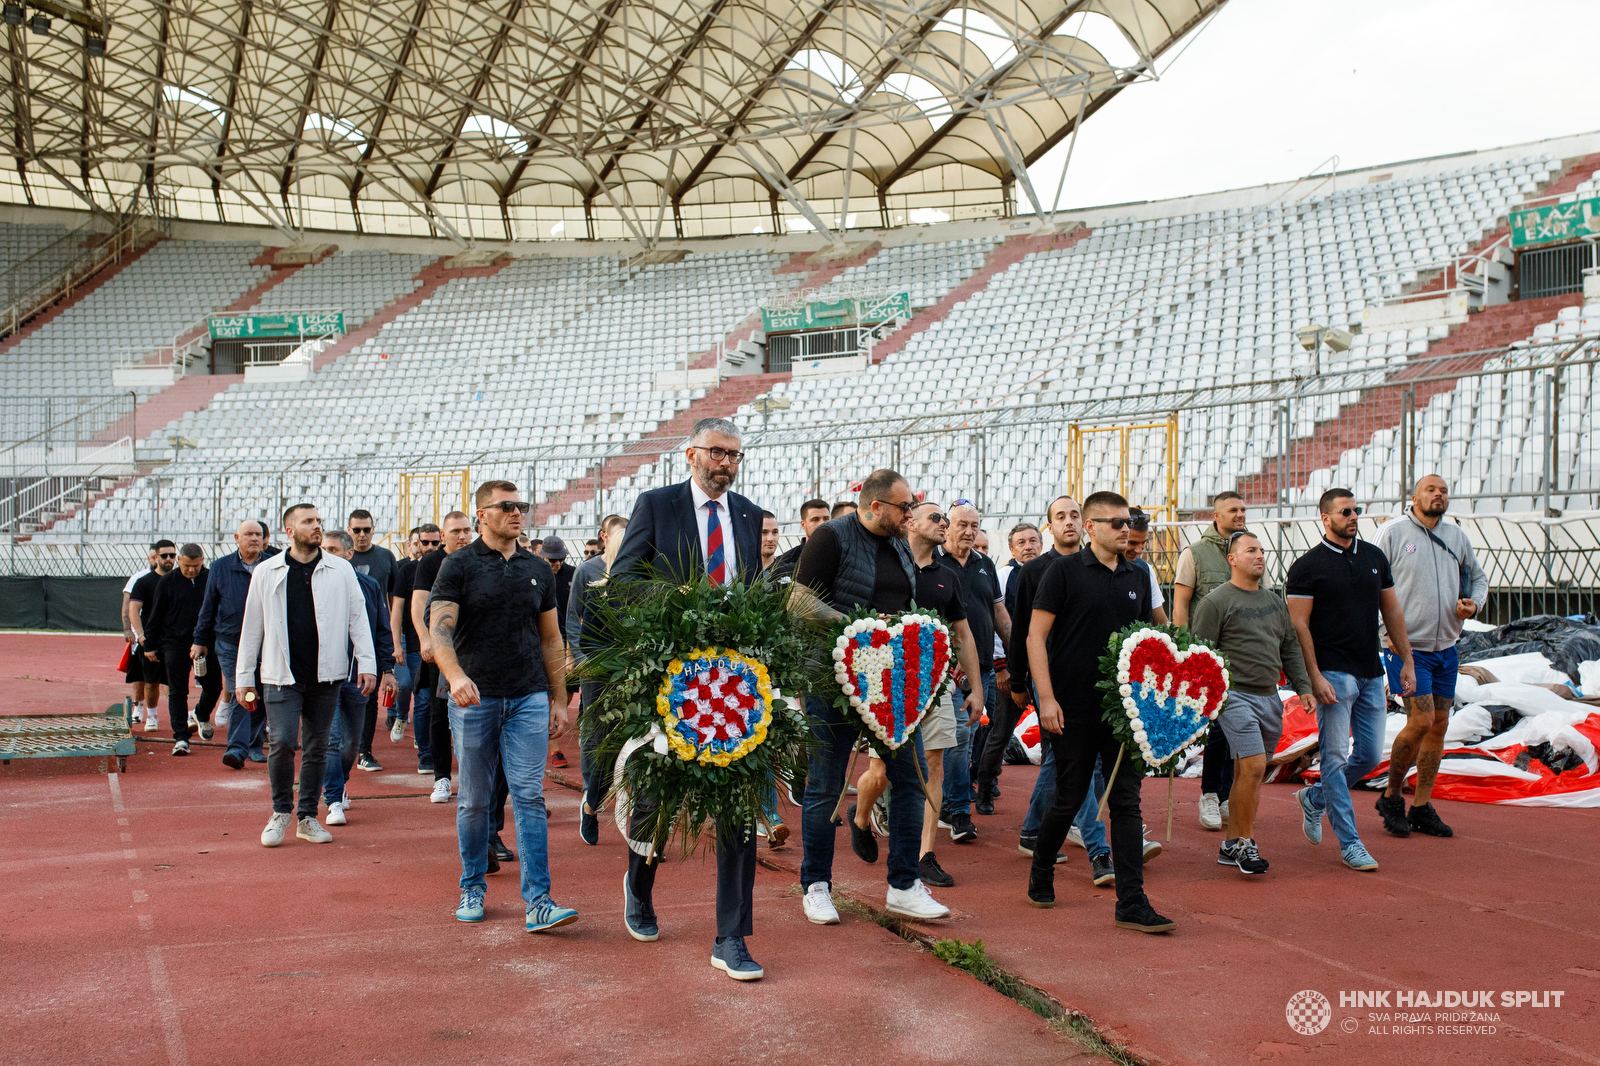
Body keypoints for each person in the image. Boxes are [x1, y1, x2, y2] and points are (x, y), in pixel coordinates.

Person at [610, 418, 768, 979]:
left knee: (737, 806)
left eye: (735, 455)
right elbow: (624, 580)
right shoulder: (656, 505)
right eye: (717, 453)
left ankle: (731, 937)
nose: (726, 463)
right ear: (691, 455)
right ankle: (640, 880)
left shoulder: (747, 515)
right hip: (669, 676)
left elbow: (753, 591)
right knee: (657, 794)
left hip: (737, 679)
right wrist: (681, 596)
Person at [791, 468, 951, 925]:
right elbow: (798, 604)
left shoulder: (900, 543)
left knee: (910, 779)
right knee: (826, 783)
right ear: (875, 505)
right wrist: (859, 626)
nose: (910, 514)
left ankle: (903, 884)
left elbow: (903, 607)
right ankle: (816, 884)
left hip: (893, 682)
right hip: (832, 679)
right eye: (904, 507)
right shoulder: (830, 538)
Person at [428, 480, 577, 932]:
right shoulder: (458, 565)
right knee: (473, 799)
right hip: (475, 699)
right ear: (482, 516)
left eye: (521, 506)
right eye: (506, 506)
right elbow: (439, 631)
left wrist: (559, 698)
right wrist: (455, 678)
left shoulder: (538, 569)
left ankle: (540, 901)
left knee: (529, 796)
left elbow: (552, 638)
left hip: (529, 696)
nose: (517, 513)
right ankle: (472, 884)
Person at [1023, 491, 1173, 933]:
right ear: (1091, 527)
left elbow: (1153, 636)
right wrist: (1045, 699)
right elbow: (1035, 638)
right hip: (1071, 706)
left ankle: (1132, 901)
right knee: (1068, 797)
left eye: (1128, 522)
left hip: (1123, 711)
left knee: (1126, 801)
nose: (1126, 529)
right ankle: (1041, 869)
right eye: (1116, 523)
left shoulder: (1139, 573)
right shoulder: (1063, 572)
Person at [1288, 488, 1415, 873]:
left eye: (1356, 510)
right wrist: (1313, 677)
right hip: (1333, 673)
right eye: (1345, 512)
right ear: (1325, 519)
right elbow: (1299, 625)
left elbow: (1391, 609)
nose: (1354, 516)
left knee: (1369, 756)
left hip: (1372, 671)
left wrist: (1406, 661)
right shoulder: (1307, 567)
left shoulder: (1375, 558)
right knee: (1334, 756)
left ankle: (1315, 798)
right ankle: (1350, 843)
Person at [237, 504, 377, 848]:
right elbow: (252, 627)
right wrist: (243, 677)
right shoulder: (267, 571)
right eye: (308, 522)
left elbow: (358, 618)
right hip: (280, 675)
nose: (317, 527)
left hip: (326, 674)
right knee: (283, 742)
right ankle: (280, 811)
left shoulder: (341, 570)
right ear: (290, 530)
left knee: (317, 747)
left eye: (318, 521)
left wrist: (368, 663)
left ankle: (307, 817)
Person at [1190, 532, 1313, 875]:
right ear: (1231, 559)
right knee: (1255, 766)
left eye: (1261, 550)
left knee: (1250, 773)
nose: (1260, 556)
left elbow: (1290, 647)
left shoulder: (1275, 602)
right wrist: (1205, 702)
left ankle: (1231, 844)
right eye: (1251, 550)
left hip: (1269, 696)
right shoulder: (1215, 602)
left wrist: (1303, 686)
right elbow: (1201, 655)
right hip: (1234, 696)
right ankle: (1246, 842)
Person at [1373, 475, 1487, 839]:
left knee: (1439, 723)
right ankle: (1391, 797)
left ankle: (1421, 805)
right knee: (1420, 722)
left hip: (1446, 648)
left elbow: (1479, 579)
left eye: (1443, 491)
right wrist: (1382, 631)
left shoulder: (1456, 536)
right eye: (1431, 490)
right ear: (1414, 496)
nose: (1438, 495)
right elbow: (1368, 583)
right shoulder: (1393, 532)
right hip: (1406, 649)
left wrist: (1474, 603)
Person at [885, 502, 982, 889]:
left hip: (937, 684)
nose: (945, 524)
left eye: (946, 519)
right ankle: (863, 815)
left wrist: (974, 690)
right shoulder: (888, 565)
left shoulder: (947, 576)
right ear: (911, 523)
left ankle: (923, 854)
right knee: (880, 772)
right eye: (937, 518)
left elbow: (963, 634)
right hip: (890, 684)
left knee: (934, 763)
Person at [987, 497, 1082, 861]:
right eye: (1061, 516)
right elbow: (1019, 629)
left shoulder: (1097, 566)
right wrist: (1017, 680)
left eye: (1075, 515)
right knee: (1063, 756)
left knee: (1064, 760)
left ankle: (1036, 830)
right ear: (1050, 526)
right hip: (1047, 680)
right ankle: (1098, 840)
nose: (1069, 522)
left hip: (1085, 680)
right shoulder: (1029, 574)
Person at [1173, 491, 1247, 831]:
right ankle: (1210, 794)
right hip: (1209, 657)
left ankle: (1227, 795)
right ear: (1215, 515)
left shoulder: (1248, 549)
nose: (1240, 514)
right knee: (1218, 730)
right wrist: (1185, 655)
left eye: (1243, 509)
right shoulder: (1195, 554)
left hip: (1244, 658)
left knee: (1240, 730)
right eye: (1233, 510)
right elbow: (1181, 607)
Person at [940, 502, 1009, 844]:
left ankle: (950, 804)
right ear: (946, 526)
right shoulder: (933, 564)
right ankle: (957, 811)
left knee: (967, 740)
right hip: (946, 671)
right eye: (962, 524)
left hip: (981, 666)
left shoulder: (985, 564)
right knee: (959, 738)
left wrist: (1016, 655)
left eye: (975, 525)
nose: (969, 531)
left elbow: (999, 614)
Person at [319, 530, 398, 827]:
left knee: (351, 744)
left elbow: (381, 630)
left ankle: (340, 781)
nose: (327, 554)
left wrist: (386, 669)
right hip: (323, 679)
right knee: (332, 739)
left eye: (334, 549)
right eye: (323, 548)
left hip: (358, 677)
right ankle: (333, 799)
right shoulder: (311, 585)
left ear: (349, 554)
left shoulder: (369, 586)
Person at [567, 512, 628, 846]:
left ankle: (645, 832)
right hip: (598, 672)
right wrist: (583, 661)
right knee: (598, 739)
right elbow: (574, 622)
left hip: (637, 673)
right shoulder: (587, 573)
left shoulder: (644, 578)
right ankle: (593, 799)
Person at [194, 521, 271, 767]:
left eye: (258, 534)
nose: (254, 538)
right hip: (230, 642)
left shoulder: (273, 565)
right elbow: (208, 606)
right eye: (248, 534)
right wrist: (199, 640)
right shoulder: (220, 567)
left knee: (261, 691)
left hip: (266, 642)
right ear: (237, 537)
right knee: (242, 689)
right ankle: (237, 750)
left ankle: (254, 746)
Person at [414, 512, 473, 804]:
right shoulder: (431, 563)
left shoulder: (481, 558)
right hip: (444, 650)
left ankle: (475, 780)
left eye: (466, 530)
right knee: (440, 715)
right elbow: (418, 605)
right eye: (455, 532)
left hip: (475, 652)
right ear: (443, 535)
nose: (462, 537)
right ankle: (441, 778)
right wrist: (427, 639)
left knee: (477, 715)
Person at [144, 543, 221, 756]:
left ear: (203, 561)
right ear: (179, 561)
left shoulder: (211, 578)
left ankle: (200, 713)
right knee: (177, 690)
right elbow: (156, 614)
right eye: (187, 565)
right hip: (174, 643)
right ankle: (180, 738)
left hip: (207, 642)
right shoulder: (167, 582)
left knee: (214, 686)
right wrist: (150, 644)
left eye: (196, 566)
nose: (192, 570)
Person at [347, 510, 399, 767]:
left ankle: (364, 751)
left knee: (368, 696)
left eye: (366, 529)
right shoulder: (338, 557)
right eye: (356, 530)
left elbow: (393, 602)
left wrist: (392, 639)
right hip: (342, 640)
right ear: (349, 531)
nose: (362, 534)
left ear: (373, 529)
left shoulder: (386, 557)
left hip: (373, 636)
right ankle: (341, 749)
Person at [390, 524, 438, 771]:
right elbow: (396, 610)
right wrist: (397, 644)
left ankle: (438, 750)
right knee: (421, 699)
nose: (430, 547)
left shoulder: (448, 566)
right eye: (425, 542)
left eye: (434, 543)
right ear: (416, 543)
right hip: (413, 644)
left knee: (441, 701)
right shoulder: (407, 570)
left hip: (446, 644)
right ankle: (426, 755)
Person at [128, 541, 176, 732]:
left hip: (175, 641)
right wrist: (141, 636)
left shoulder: (181, 580)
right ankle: (152, 716)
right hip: (151, 641)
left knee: (174, 682)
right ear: (155, 558)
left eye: (172, 555)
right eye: (164, 556)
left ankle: (178, 717)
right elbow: (133, 610)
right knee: (150, 682)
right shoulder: (144, 582)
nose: (168, 559)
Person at [122, 545, 159, 724]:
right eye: (153, 557)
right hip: (141, 636)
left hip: (163, 636)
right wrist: (128, 630)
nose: (156, 560)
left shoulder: (171, 578)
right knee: (140, 676)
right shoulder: (138, 578)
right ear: (149, 558)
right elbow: (127, 607)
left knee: (163, 678)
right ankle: (138, 707)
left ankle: (158, 713)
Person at [1122, 509, 1169, 626]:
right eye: (1132, 543)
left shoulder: (1145, 569)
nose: (1139, 550)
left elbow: (1160, 622)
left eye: (1143, 543)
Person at [769, 498, 829, 583]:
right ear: (803, 524)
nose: (822, 524)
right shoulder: (785, 562)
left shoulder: (843, 555)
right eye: (815, 519)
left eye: (826, 519)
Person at [538, 536, 574, 639]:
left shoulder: (573, 573)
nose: (558, 563)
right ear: (543, 557)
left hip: (568, 629)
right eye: (553, 560)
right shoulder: (537, 575)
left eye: (561, 559)